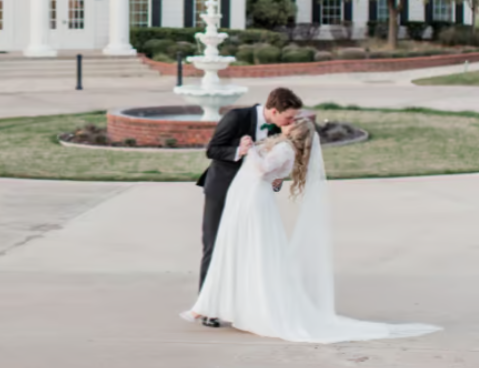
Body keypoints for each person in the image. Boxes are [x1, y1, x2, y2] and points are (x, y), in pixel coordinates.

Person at [181, 119, 441, 343]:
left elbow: (262, 171)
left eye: (292, 123)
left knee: (252, 254)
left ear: (296, 132)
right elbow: (274, 179)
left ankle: (236, 308)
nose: (287, 123)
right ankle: (220, 305)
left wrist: (249, 150)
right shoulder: (285, 149)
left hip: (252, 205)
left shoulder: (284, 149)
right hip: (250, 201)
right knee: (245, 253)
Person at [195, 88, 303, 328]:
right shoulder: (237, 118)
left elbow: (272, 166)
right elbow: (213, 149)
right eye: (288, 118)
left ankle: (241, 305)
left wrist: (273, 183)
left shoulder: (278, 128)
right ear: (274, 111)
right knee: (214, 244)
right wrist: (240, 151)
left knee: (247, 248)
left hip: (252, 196)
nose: (292, 122)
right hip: (223, 189)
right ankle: (208, 308)